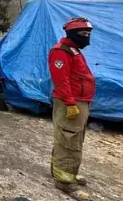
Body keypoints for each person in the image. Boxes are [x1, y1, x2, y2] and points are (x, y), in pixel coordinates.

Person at [48, 17, 95, 201]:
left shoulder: (74, 50)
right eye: (84, 34)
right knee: (69, 141)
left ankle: (65, 173)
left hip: (80, 101)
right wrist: (69, 103)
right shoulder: (61, 52)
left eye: (89, 34)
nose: (87, 37)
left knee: (72, 139)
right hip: (72, 102)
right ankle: (64, 182)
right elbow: (61, 80)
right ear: (73, 34)